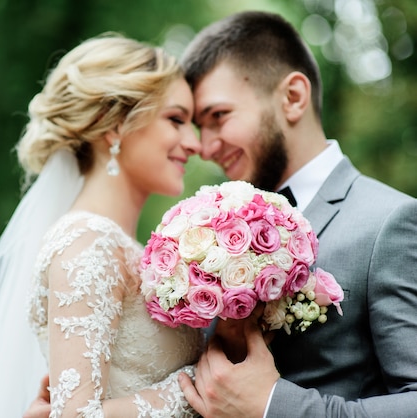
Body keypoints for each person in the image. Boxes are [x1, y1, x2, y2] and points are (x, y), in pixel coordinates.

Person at [177, 10, 417, 417]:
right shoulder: (213, 235)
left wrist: (275, 407)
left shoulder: (389, 223)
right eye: (200, 128)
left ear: (293, 97)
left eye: (218, 117)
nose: (205, 146)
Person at [0, 33, 205, 417]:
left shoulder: (122, 246)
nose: (195, 143)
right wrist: (197, 386)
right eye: (176, 119)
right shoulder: (87, 244)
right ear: (114, 126)